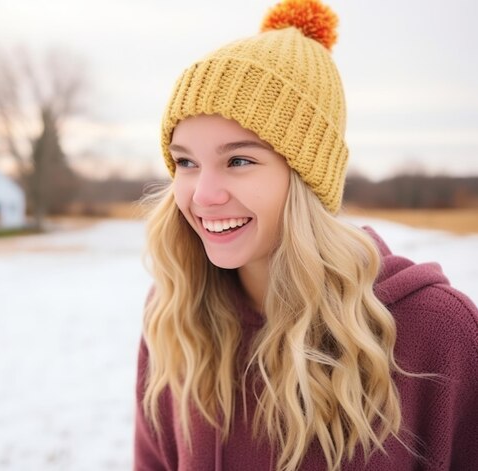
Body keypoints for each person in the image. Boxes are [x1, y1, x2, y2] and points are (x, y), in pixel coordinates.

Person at [133, 0, 478, 470]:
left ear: (306, 178)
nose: (203, 195)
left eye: (239, 160)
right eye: (187, 162)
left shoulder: (437, 332)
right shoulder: (176, 316)